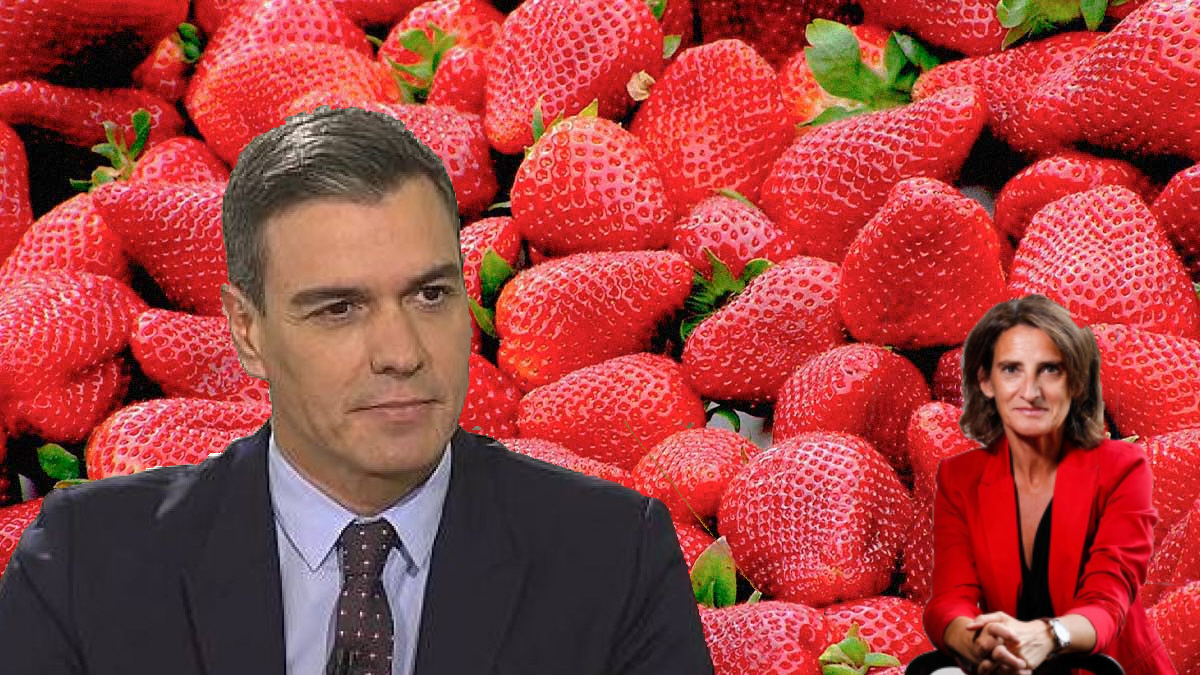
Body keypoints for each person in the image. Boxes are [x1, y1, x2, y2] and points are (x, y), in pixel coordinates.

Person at [0, 106, 714, 675]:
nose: (401, 353)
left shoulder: (615, 557)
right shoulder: (84, 562)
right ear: (246, 331)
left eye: (431, 295)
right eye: (338, 308)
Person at [922, 295, 1175, 675]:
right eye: (1011, 369)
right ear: (986, 381)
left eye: (1050, 370)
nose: (1031, 391)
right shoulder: (959, 478)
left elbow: (1109, 598)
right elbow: (948, 598)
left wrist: (1048, 635)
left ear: (1076, 381)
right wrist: (977, 641)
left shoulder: (1122, 467)